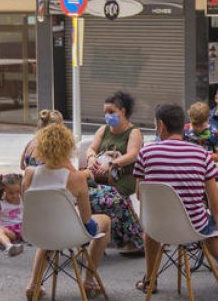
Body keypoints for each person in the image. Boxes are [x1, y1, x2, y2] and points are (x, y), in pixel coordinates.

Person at [134, 103, 218, 294]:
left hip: (157, 227)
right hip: (194, 228)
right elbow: (214, 198)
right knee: (209, 225)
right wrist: (217, 226)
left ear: (160, 126)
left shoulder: (145, 153)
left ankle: (150, 280)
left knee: (151, 232)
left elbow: (140, 194)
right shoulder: (202, 155)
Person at [21, 109, 144, 257]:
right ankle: (91, 277)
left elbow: (26, 196)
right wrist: (85, 173)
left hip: (37, 229)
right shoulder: (74, 176)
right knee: (113, 201)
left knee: (111, 196)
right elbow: (86, 220)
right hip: (68, 227)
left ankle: (34, 280)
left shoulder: (29, 172)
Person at [24, 123, 111, 299]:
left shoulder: (30, 173)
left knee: (48, 230)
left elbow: (27, 206)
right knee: (105, 221)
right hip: (69, 234)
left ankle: (33, 285)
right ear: (68, 148)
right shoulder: (77, 178)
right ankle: (88, 281)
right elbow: (87, 220)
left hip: (38, 232)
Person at [81, 91, 145, 201]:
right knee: (81, 188)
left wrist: (112, 164)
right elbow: (91, 148)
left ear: (123, 111)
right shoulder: (103, 130)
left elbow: (133, 155)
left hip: (125, 177)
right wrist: (91, 158)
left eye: (111, 112)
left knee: (104, 197)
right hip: (102, 175)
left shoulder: (134, 132)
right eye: (105, 112)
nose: (107, 116)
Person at [0, 173, 25, 257]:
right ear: (3, 190)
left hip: (23, 228)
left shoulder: (22, 197)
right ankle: (9, 246)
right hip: (9, 231)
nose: (15, 195)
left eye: (17, 192)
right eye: (11, 193)